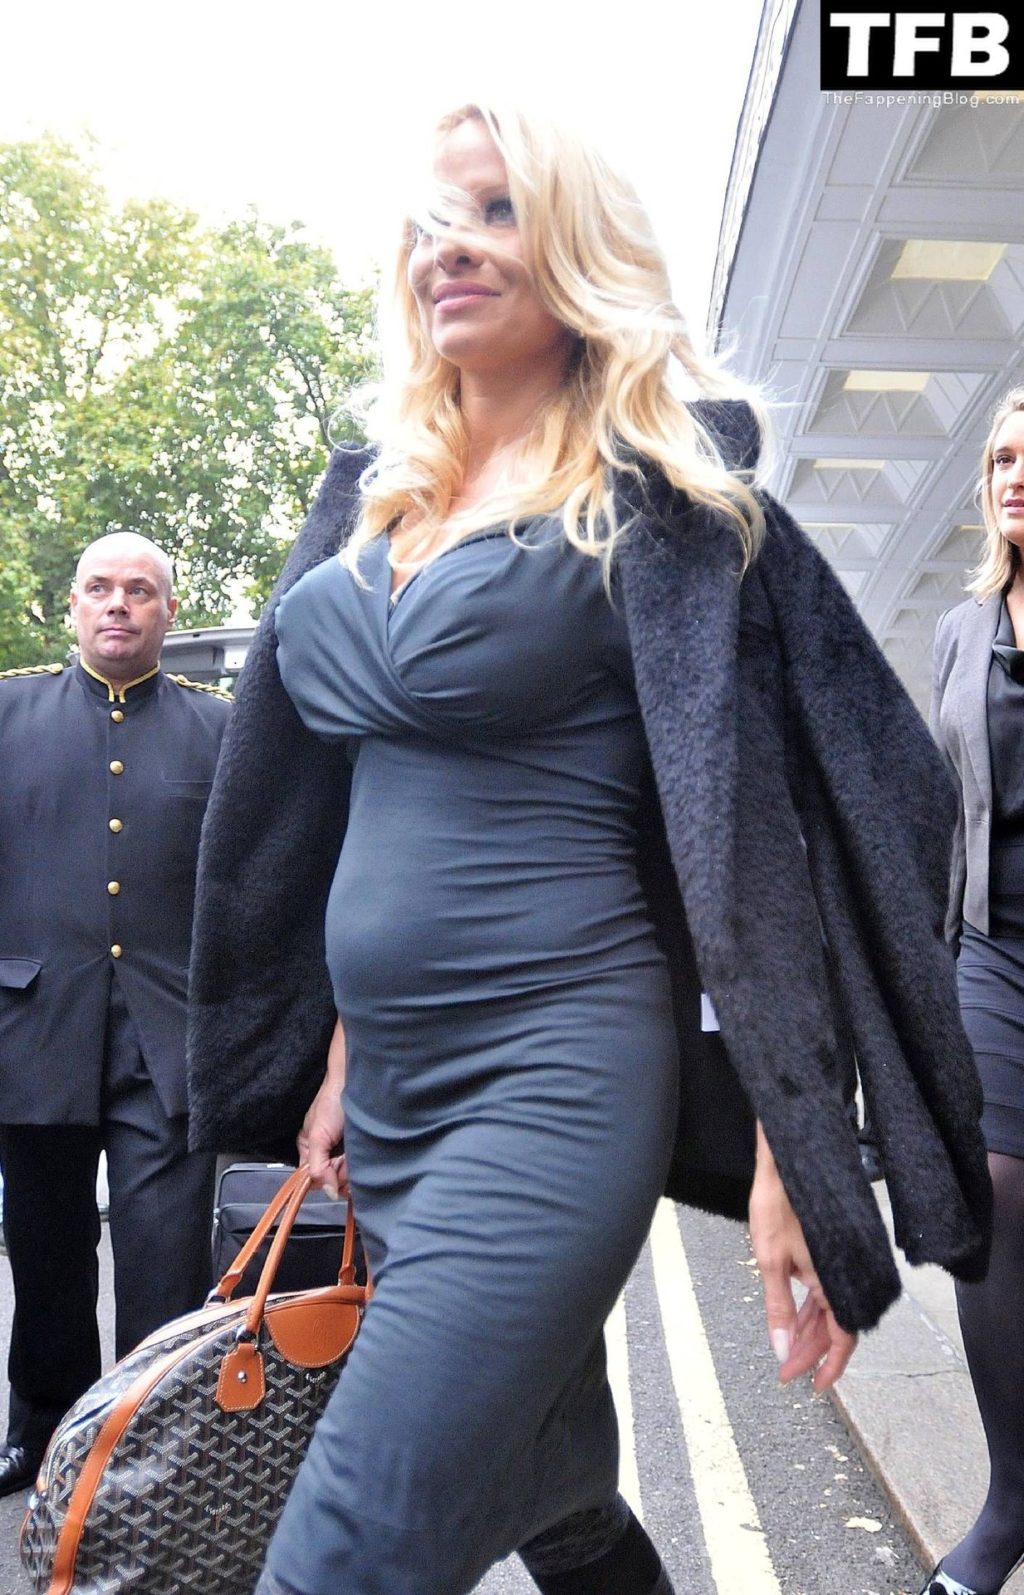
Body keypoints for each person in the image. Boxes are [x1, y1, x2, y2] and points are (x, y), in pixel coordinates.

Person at [187, 104, 991, 1595]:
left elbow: (803, 824)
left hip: (553, 1080)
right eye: (432, 221)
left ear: (575, 248)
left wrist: (793, 1146)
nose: (449, 247)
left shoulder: (663, 505)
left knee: (341, 1545)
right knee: (549, 1487)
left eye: (494, 211)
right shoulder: (373, 494)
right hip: (392, 1097)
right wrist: (339, 1051)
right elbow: (337, 804)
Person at [0, 532, 231, 1497]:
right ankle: (45, 1432)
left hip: (166, 1037)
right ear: (72, 605)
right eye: (99, 587)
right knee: (46, 1251)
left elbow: (248, 886)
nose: (118, 604)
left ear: (169, 610)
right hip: (32, 1028)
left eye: (140, 589)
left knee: (164, 1263)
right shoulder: (8, 712)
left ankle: (153, 1453)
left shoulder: (220, 729)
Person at [925, 389, 1024, 1595]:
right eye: (1002, 456)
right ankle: (1008, 1503)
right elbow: (944, 809)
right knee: (990, 1196)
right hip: (993, 949)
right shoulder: (960, 628)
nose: (1011, 474)